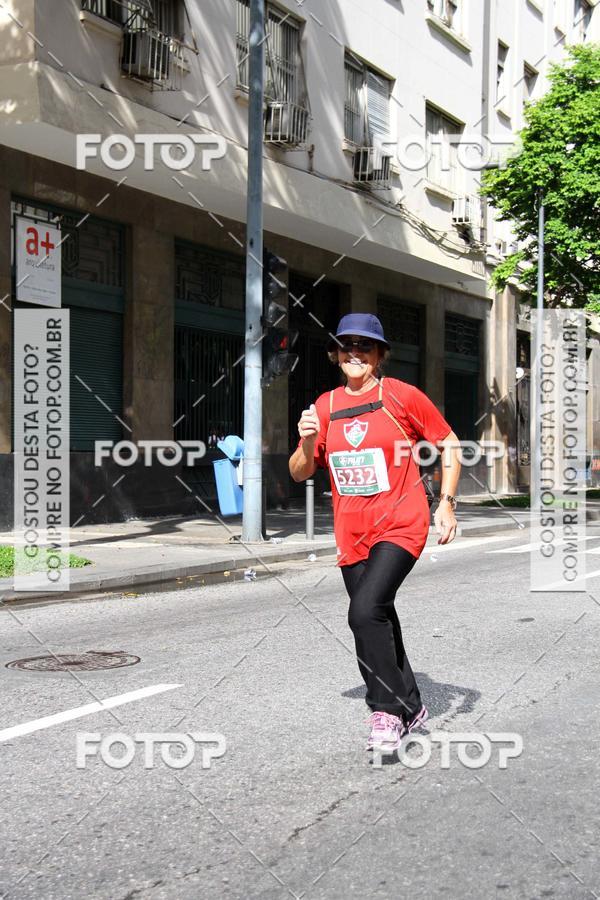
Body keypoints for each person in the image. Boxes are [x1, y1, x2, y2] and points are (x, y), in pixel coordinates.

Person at [289, 313, 461, 753]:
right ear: (335, 354)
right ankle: (412, 703)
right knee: (378, 614)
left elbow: (450, 443)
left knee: (364, 612)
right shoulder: (324, 407)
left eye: (364, 346)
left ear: (380, 355)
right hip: (352, 532)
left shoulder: (401, 396)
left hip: (402, 523)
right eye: (346, 345)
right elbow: (298, 471)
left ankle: (385, 711)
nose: (354, 353)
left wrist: (446, 502)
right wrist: (308, 441)